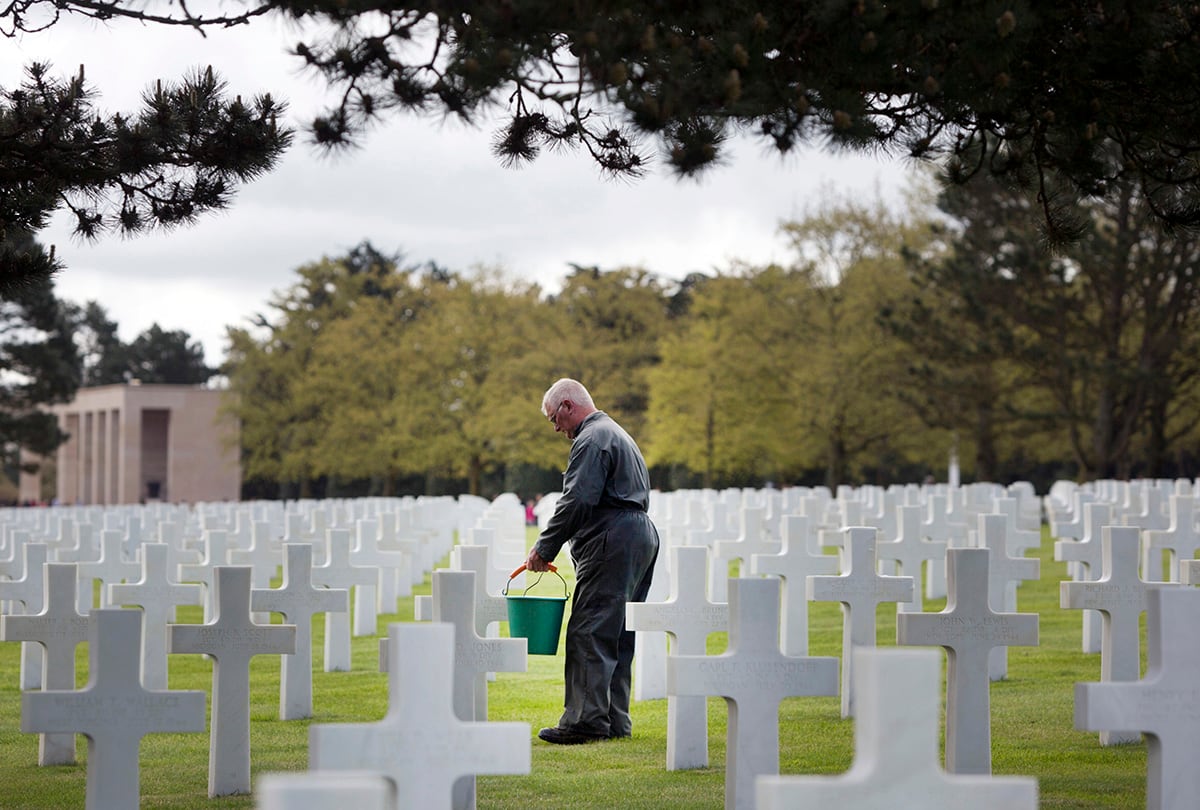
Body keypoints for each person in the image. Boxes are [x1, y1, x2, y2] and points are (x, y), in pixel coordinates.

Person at [525, 378, 660, 745]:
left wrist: (544, 548)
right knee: (617, 633)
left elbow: (578, 500)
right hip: (638, 534)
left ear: (568, 405)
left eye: (555, 418)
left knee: (589, 629)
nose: (556, 428)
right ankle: (614, 720)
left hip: (612, 537)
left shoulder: (592, 438)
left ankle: (585, 721)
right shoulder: (616, 432)